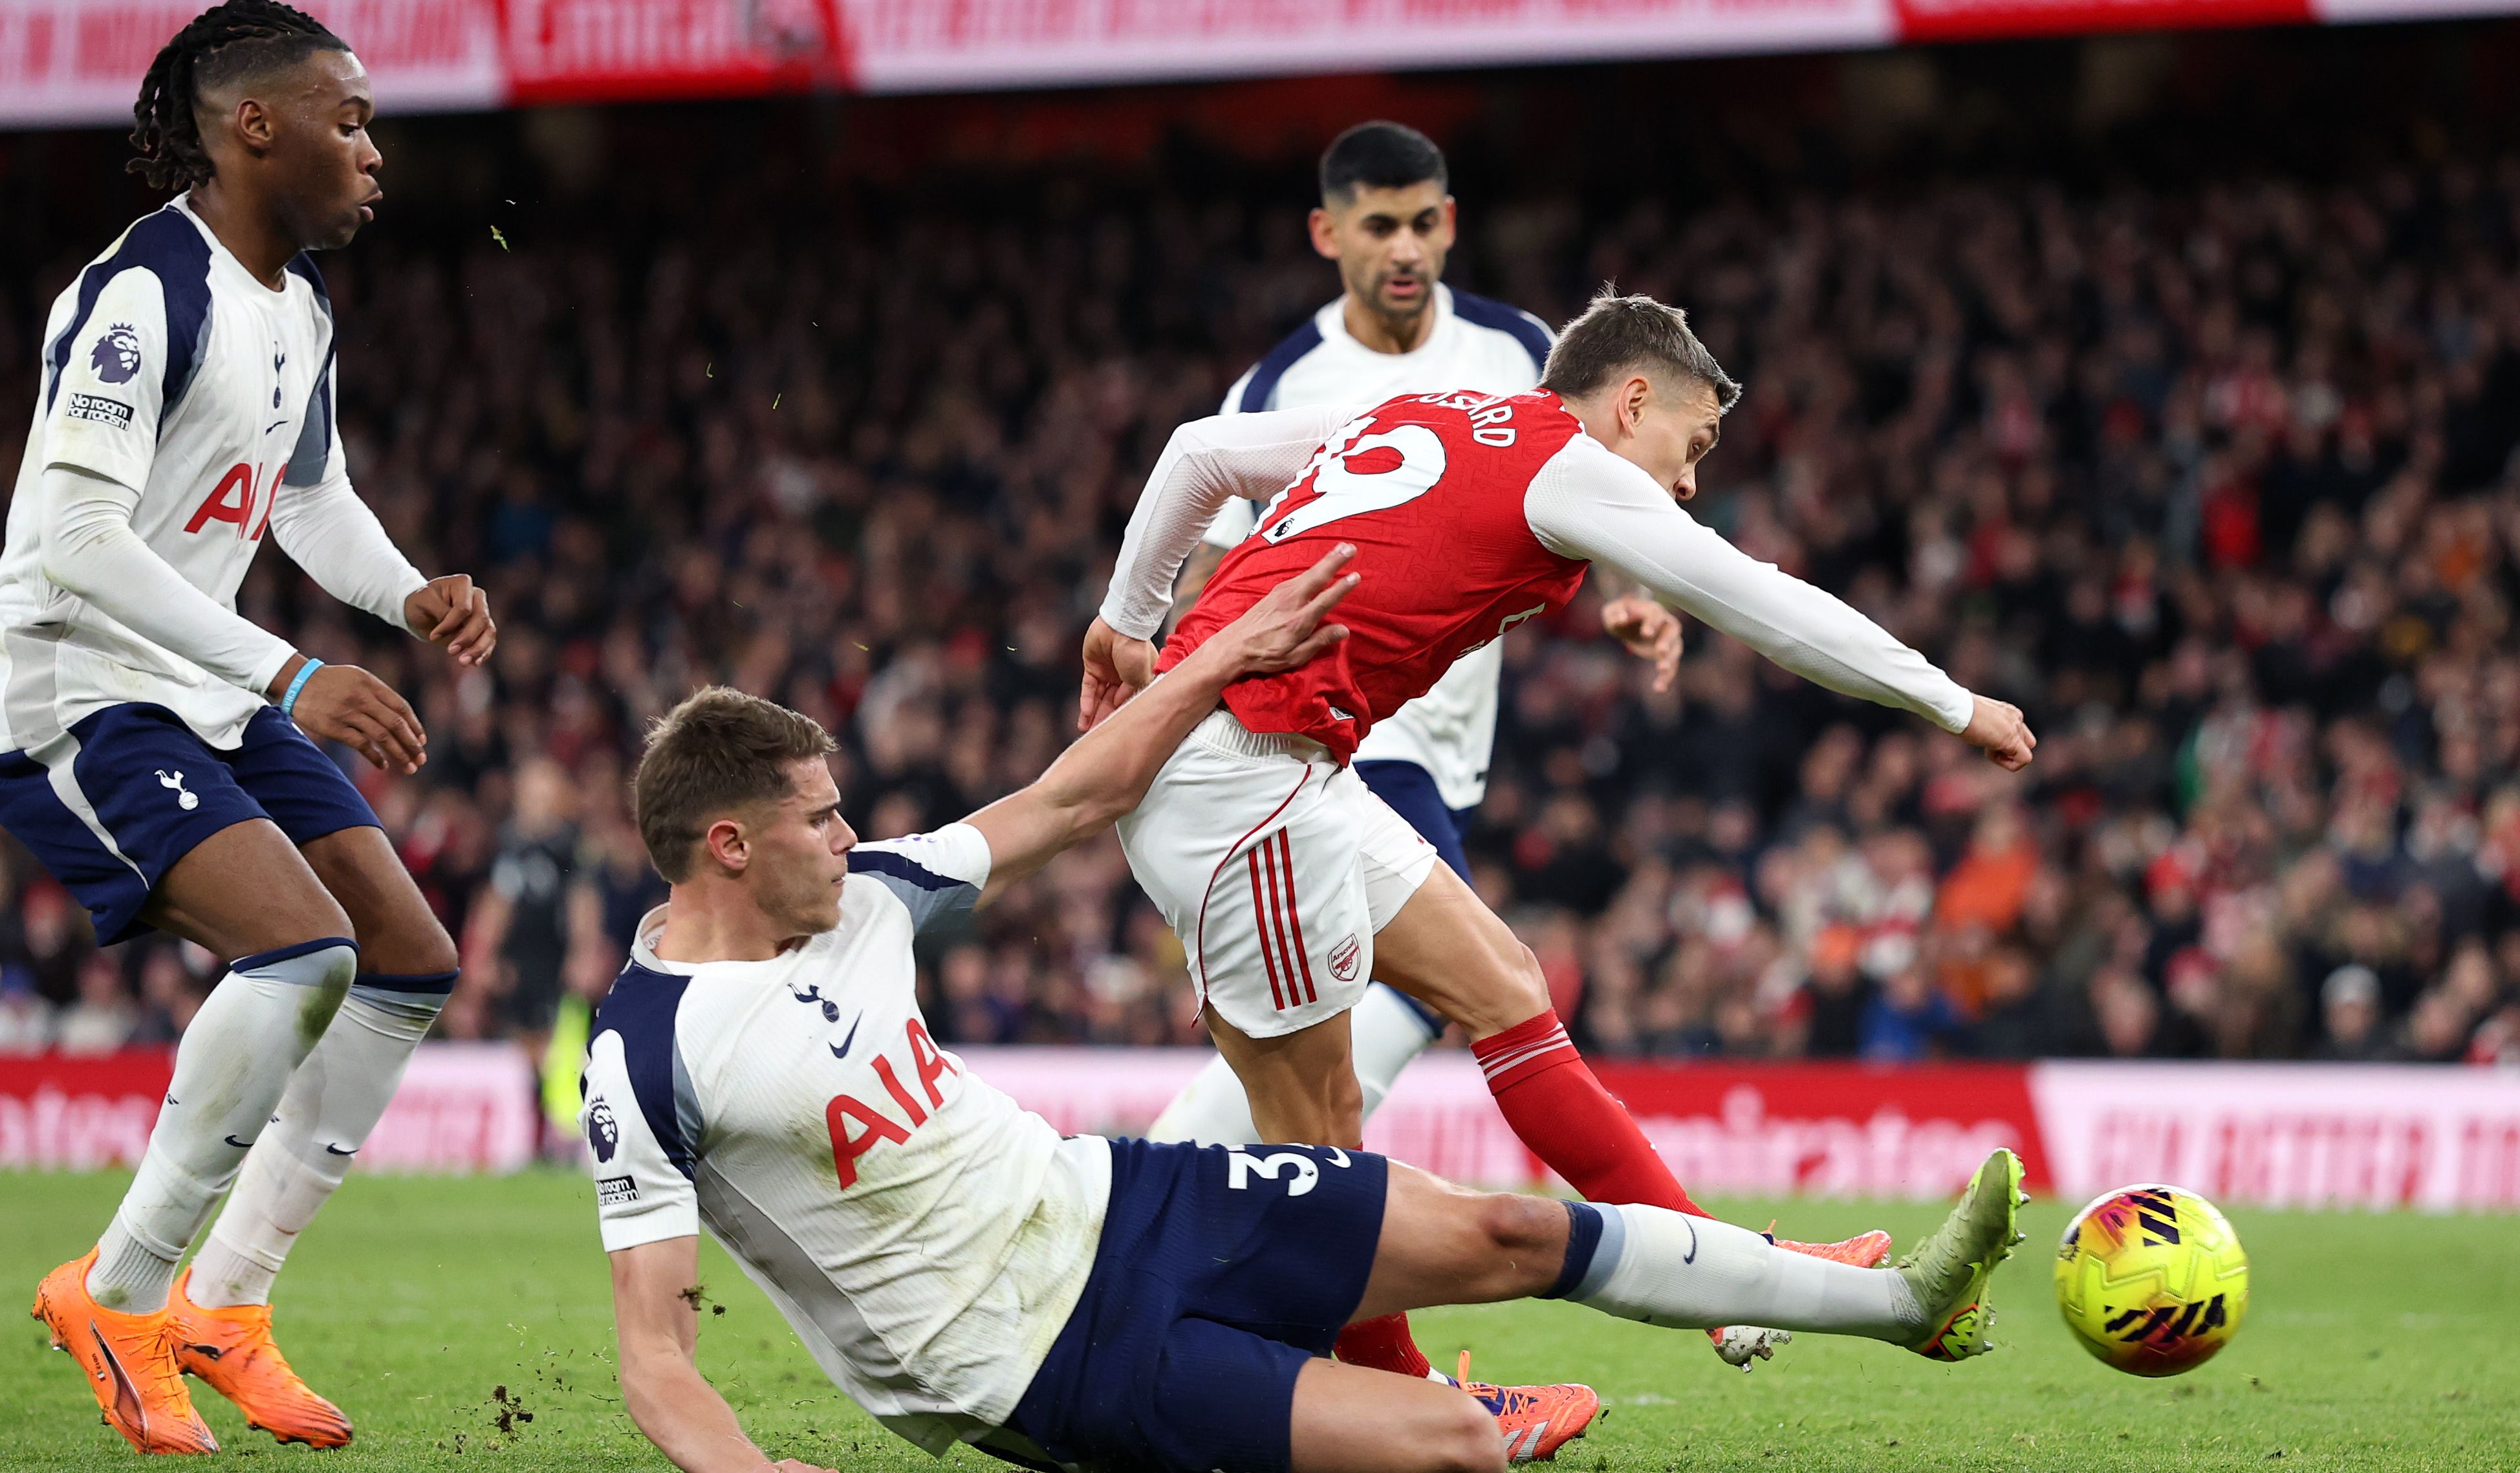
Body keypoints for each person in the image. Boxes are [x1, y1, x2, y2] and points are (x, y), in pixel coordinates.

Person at [585, 567, 2028, 1473]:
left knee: (1510, 1230)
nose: (851, 835)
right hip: (1047, 1363)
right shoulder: (644, 1055)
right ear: (726, 844)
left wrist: (1217, 657)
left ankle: (1905, 1305)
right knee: (1455, 1445)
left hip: (1119, 1195)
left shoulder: (873, 897)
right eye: (819, 818)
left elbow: (1072, 797)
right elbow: (657, 1356)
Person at [1078, 287, 2038, 1388]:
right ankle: (1403, 1406)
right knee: (1322, 1147)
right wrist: (1953, 704)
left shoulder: (1435, 407)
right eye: (1694, 441)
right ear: (1633, 400)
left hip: (1277, 760)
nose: (1689, 481)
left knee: (1503, 984)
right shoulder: (1564, 461)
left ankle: (1724, 1282)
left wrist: (1126, 621)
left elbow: (1199, 451)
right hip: (1234, 778)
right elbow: (1763, 602)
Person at [1146, 120, 1856, 1386]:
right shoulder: (1278, 385)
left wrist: (1629, 589)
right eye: (1378, 225)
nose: (1405, 247)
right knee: (1424, 1014)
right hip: (1326, 739)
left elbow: (1579, 506)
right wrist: (1165, 673)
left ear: (1451, 221)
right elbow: (1227, 550)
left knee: (1386, 1041)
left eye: (1423, 220)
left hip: (1418, 741)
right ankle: (1194, 1232)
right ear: (1330, 236)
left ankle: (1229, 1244)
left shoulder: (1523, 351)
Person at [16, 1, 494, 1453]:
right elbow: (72, 540)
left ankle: (227, 1305)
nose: (373, 152)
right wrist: (294, 674)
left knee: (408, 960)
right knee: (304, 949)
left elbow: (304, 499)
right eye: (345, 122)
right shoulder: (142, 290)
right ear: (253, 126)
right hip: (73, 693)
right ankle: (122, 1287)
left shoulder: (298, 303)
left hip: (202, 691)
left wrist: (406, 591)